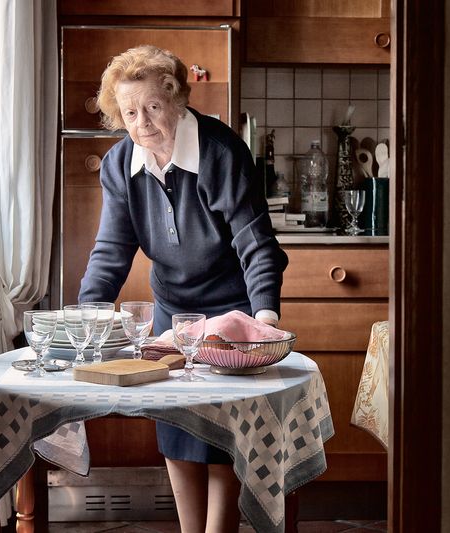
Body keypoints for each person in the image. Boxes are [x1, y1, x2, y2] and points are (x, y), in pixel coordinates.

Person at [78, 44, 289, 532]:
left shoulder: (220, 152)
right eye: (130, 112)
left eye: (153, 106)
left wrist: (263, 320)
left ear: (176, 100)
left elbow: (256, 242)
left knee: (221, 436)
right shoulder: (118, 167)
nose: (143, 122)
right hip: (173, 311)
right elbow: (111, 251)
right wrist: (85, 315)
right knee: (177, 429)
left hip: (233, 310)